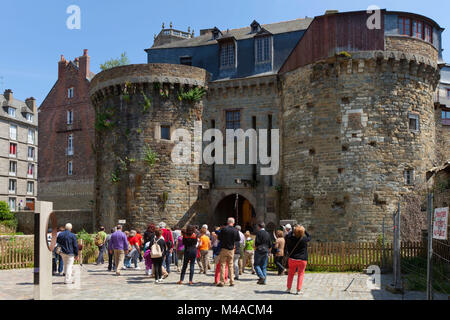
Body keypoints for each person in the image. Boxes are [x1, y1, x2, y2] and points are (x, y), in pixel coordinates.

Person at [285, 225, 311, 295]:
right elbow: (309, 237)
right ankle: (298, 290)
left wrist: (293, 230)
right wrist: (304, 230)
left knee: (290, 274)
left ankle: (288, 288)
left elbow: (288, 235)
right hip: (302, 259)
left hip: (292, 259)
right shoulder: (304, 239)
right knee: (300, 274)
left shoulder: (290, 238)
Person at [217, 217, 240, 287]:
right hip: (231, 249)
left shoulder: (224, 229)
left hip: (224, 248)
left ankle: (222, 281)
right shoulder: (235, 230)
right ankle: (232, 281)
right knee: (230, 265)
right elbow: (237, 239)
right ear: (233, 223)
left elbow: (219, 238)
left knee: (223, 265)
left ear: (227, 222)